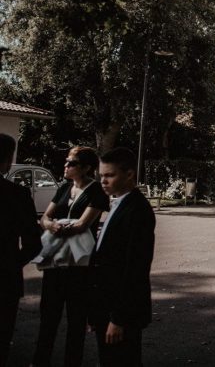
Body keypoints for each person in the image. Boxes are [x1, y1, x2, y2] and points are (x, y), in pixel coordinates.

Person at [33, 147, 110, 367]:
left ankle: (72, 361)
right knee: (48, 317)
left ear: (86, 168)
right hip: (56, 262)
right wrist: (50, 224)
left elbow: (84, 224)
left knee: (76, 319)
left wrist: (57, 226)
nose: (66, 166)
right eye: (67, 162)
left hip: (79, 265)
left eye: (72, 163)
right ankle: (40, 360)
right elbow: (45, 217)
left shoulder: (96, 191)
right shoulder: (64, 188)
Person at [89, 147, 155, 366]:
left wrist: (119, 318)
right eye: (101, 176)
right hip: (104, 305)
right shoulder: (117, 203)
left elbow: (135, 268)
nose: (103, 181)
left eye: (110, 175)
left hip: (121, 312)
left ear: (129, 174)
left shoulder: (138, 210)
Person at [0, 133, 41, 365]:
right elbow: (33, 244)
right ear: (7, 160)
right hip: (5, 281)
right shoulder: (17, 195)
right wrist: (11, 263)